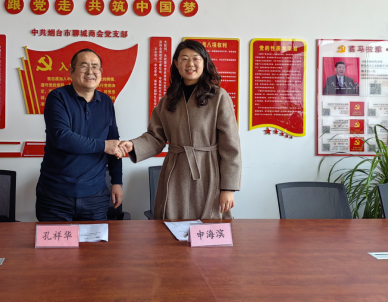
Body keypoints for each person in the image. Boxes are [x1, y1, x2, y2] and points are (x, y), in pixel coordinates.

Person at [117, 40, 242, 220]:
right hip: (175, 173)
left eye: (196, 58)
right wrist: (133, 145)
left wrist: (227, 188)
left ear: (204, 62)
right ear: (176, 63)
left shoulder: (218, 97)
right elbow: (155, 137)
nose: (190, 64)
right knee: (171, 226)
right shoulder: (168, 100)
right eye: (184, 58)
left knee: (208, 228)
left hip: (208, 172)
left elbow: (230, 146)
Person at [35, 48, 123, 221]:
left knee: (95, 240)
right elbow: (62, 137)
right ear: (71, 70)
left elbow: (114, 143)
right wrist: (104, 145)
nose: (90, 72)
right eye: (84, 66)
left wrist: (117, 181)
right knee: (55, 240)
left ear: (101, 72)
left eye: (95, 67)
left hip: (95, 196)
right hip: (56, 196)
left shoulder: (106, 102)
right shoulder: (57, 97)